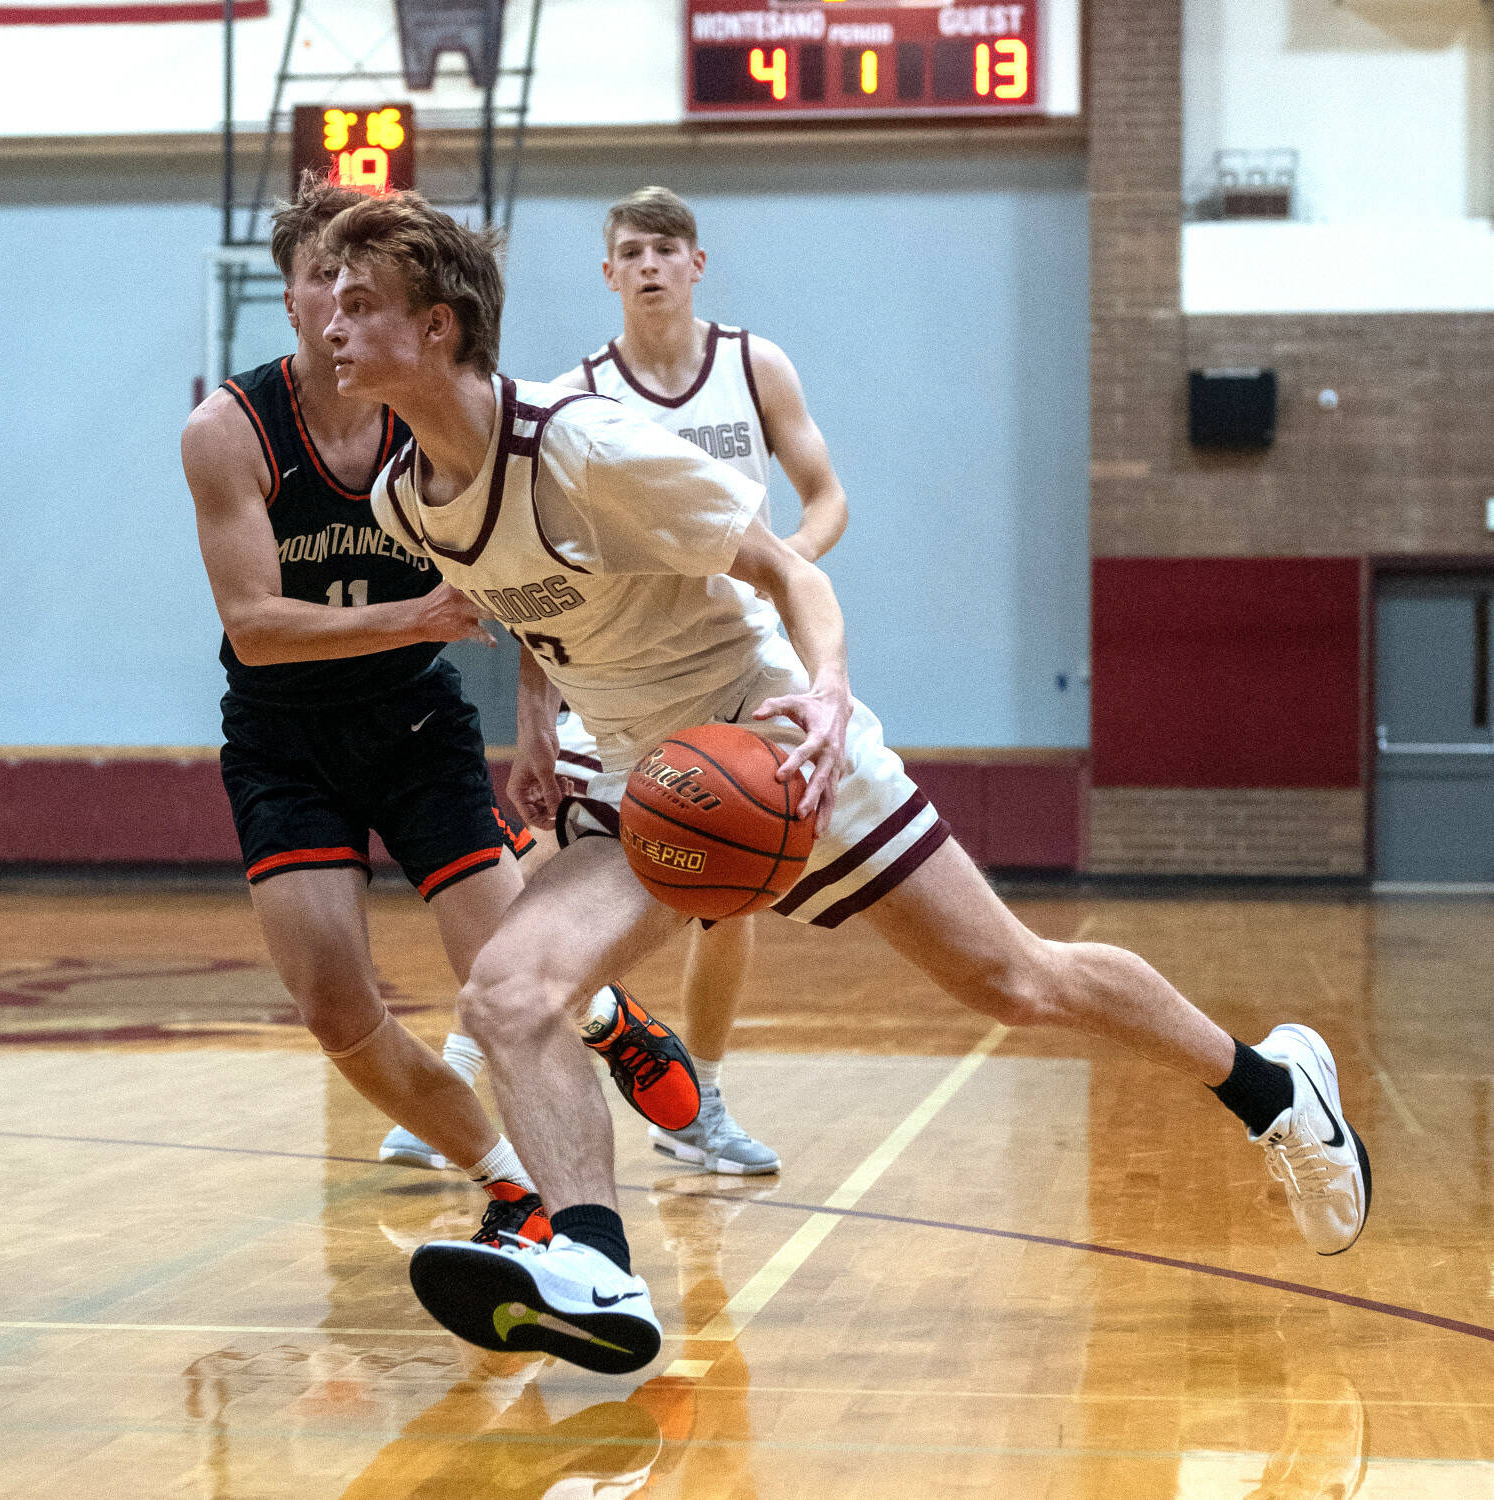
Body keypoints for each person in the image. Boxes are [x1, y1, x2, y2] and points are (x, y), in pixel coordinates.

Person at [318, 191, 1371, 1377]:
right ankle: (597, 1263)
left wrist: (824, 693)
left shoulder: (580, 442)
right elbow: (534, 609)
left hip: (768, 738)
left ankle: (1273, 1086)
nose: (333, 327)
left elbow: (781, 567)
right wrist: (535, 720)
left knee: (1014, 980)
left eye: (361, 305)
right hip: (639, 774)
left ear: (442, 328)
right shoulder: (406, 494)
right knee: (508, 993)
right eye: (333, 304)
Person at [181, 176, 698, 1257]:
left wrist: (536, 721)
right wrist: (416, 609)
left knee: (503, 972)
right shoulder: (230, 431)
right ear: (289, 300)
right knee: (334, 1006)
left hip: (415, 724)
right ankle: (509, 1187)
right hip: (285, 741)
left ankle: (608, 1020)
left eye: (357, 284)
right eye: (319, 279)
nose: (337, 305)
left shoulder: (438, 414)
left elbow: (529, 571)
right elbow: (256, 625)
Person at [388, 184, 848, 1177]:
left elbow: (826, 495)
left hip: (725, 654)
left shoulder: (752, 366)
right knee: (549, 864)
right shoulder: (576, 399)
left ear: (696, 265)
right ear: (609, 274)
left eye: (666, 248)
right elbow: (528, 581)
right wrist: (534, 720)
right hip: (606, 670)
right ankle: (479, 1062)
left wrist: (776, 567)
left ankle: (701, 1102)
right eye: (630, 251)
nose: (648, 264)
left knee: (729, 885)